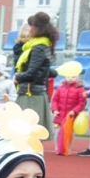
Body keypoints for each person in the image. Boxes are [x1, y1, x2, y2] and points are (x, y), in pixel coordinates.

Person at [14, 12, 60, 140]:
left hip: (31, 95)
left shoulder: (38, 48)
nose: (28, 28)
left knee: (28, 136)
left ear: (37, 28)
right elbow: (41, 70)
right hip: (33, 93)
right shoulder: (41, 46)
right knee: (28, 137)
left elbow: (32, 73)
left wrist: (18, 76)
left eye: (31, 25)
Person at [51, 72, 86, 156]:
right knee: (58, 132)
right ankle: (58, 148)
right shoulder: (60, 88)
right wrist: (55, 110)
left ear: (77, 78)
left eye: (73, 77)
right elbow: (55, 100)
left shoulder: (80, 89)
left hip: (71, 116)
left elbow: (81, 103)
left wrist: (74, 111)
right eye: (68, 76)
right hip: (60, 115)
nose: (70, 78)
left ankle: (67, 148)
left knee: (69, 133)